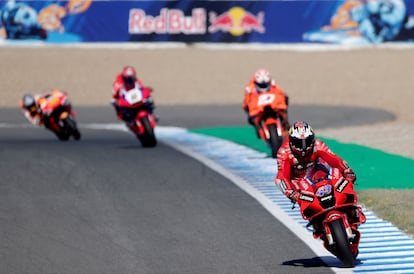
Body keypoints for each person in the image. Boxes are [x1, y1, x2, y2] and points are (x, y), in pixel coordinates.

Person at [274, 121, 357, 203]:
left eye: (307, 141)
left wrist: (346, 170)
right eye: (299, 143)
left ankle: (349, 203)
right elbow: (283, 177)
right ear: (291, 141)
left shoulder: (318, 145)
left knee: (335, 173)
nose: (304, 147)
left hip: (315, 172)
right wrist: (290, 192)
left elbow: (334, 159)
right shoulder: (284, 152)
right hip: (297, 180)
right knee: (279, 181)